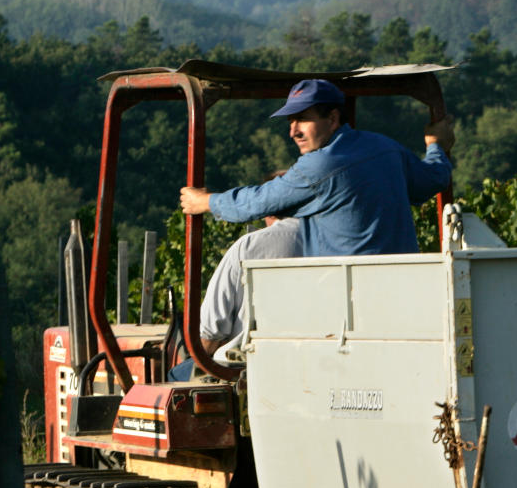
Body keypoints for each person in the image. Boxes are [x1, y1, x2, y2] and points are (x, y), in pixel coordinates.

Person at [179, 78, 454, 256]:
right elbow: (434, 178)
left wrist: (206, 201)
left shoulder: (319, 166)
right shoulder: (385, 147)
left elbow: (257, 203)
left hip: (345, 298)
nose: (293, 131)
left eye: (302, 119)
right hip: (401, 290)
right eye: (290, 121)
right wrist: (435, 145)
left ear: (333, 119)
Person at [167, 212, 301, 381]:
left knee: (174, 376)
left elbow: (210, 333)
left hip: (242, 367)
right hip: (303, 361)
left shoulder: (248, 247)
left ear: (270, 208)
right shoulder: (329, 243)